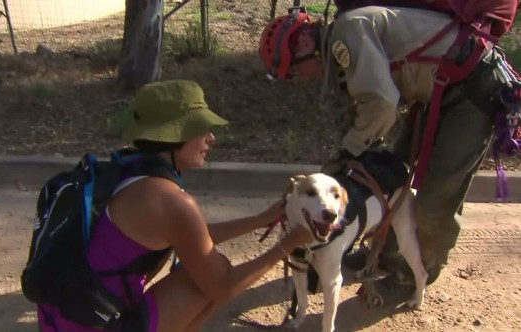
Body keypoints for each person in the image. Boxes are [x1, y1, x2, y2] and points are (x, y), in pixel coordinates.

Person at [258, 5, 519, 291]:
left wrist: (348, 153)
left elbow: (382, 106)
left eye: (294, 71)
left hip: (473, 91)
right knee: (391, 181)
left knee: (437, 197)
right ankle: (386, 256)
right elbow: (366, 110)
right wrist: (346, 160)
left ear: (305, 44)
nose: (301, 78)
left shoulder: (347, 32)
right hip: (440, 90)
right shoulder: (340, 47)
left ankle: (414, 274)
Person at [36, 79, 313, 332]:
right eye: (200, 128)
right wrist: (290, 242)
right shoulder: (172, 202)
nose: (210, 137)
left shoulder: (126, 168)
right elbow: (223, 286)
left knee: (203, 265)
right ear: (173, 135)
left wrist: (259, 220)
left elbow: (191, 238)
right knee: (206, 278)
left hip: (61, 320)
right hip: (92, 325)